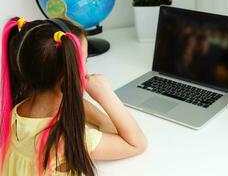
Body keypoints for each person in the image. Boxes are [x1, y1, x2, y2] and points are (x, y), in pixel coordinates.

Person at [0, 17, 147, 176]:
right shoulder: (65, 139)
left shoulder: (14, 111)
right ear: (68, 72)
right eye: (84, 61)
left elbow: (71, 102)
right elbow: (136, 144)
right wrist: (105, 95)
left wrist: (102, 121)